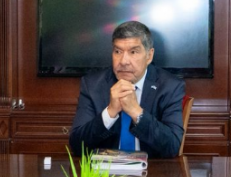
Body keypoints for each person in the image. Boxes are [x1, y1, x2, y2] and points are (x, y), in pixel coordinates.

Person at [69, 21, 185, 158]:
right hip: (104, 174)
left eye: (133, 52)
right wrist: (110, 112)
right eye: (117, 51)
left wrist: (136, 112)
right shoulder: (93, 85)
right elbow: (77, 145)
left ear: (149, 55)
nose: (123, 61)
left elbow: (172, 146)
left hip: (152, 172)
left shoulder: (170, 86)